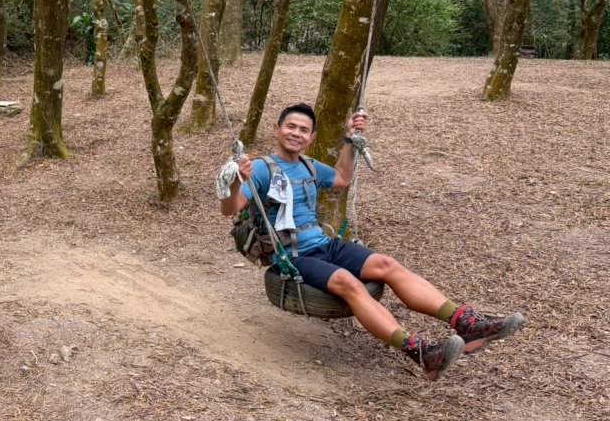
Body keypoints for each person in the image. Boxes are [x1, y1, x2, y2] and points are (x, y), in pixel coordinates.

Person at [219, 103, 524, 381]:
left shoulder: (310, 166)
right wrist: (235, 181)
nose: (296, 133)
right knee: (347, 282)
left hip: (324, 244)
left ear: (311, 138)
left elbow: (341, 178)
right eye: (290, 127)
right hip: (292, 254)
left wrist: (351, 141)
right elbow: (230, 209)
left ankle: (465, 323)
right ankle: (420, 352)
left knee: (385, 264)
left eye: (303, 130)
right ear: (277, 129)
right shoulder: (260, 168)